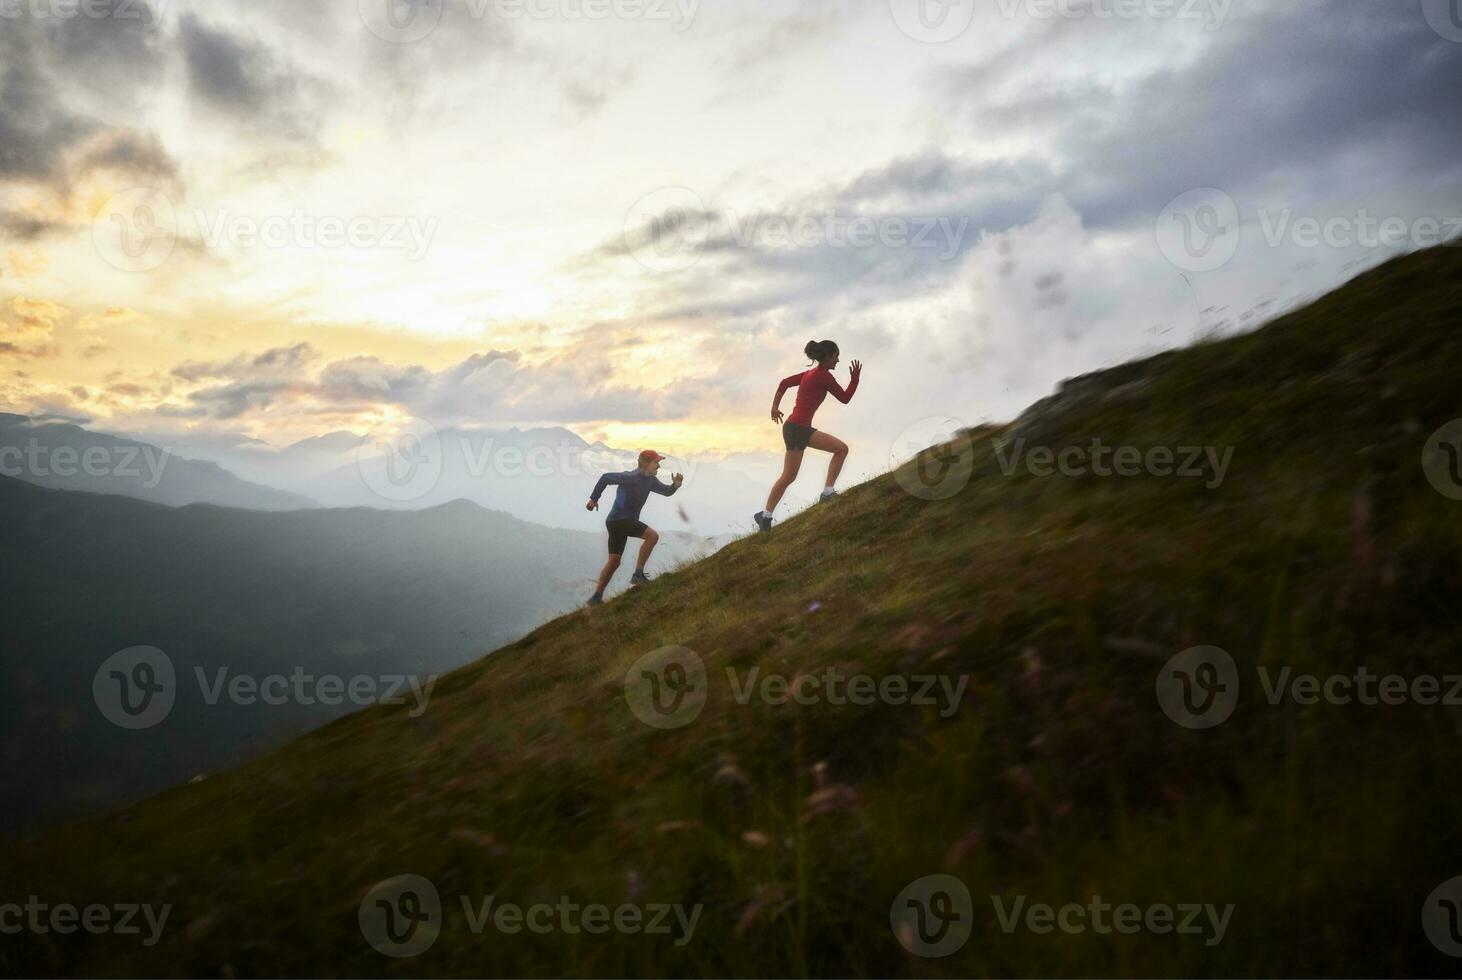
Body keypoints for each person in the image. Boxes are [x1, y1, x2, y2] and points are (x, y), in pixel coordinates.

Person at [754, 340, 862, 532]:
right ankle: (766, 516)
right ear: (828, 357)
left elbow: (784, 384)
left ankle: (767, 515)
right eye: (836, 356)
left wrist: (775, 406)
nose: (838, 360)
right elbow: (845, 398)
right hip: (798, 429)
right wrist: (855, 379)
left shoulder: (810, 374)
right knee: (791, 475)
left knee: (836, 451)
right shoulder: (823, 377)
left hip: (797, 427)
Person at [585, 449, 683, 605]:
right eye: (656, 462)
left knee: (614, 561)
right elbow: (605, 478)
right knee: (652, 536)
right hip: (620, 520)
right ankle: (638, 575)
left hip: (616, 522)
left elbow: (666, 492)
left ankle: (596, 597)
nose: (658, 466)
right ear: (644, 463)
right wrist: (593, 499)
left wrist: (675, 485)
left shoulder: (650, 480)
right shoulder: (631, 477)